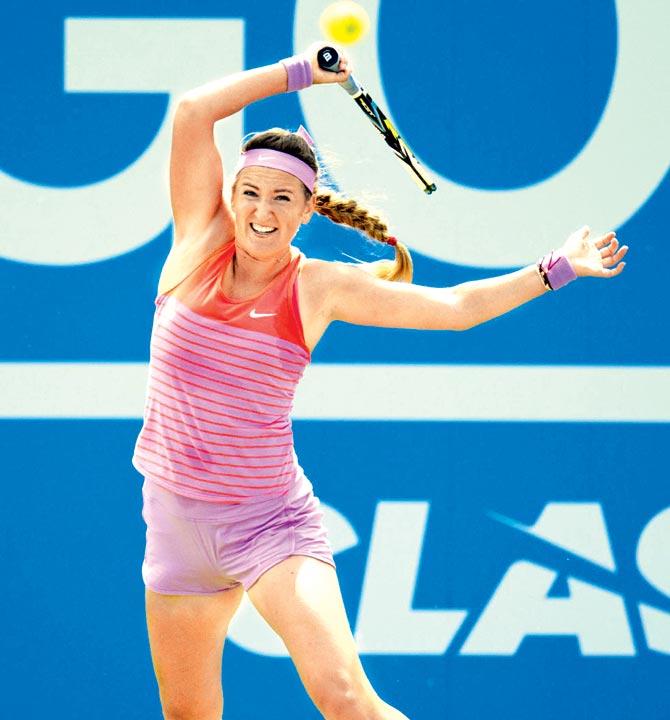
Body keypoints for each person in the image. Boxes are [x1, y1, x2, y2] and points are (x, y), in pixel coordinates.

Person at [131, 43, 628, 720]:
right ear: (230, 195)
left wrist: (555, 269)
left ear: (307, 210)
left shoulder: (317, 288)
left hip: (268, 527)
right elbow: (192, 111)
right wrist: (302, 72)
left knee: (347, 703)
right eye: (250, 193)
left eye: (283, 198)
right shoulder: (195, 242)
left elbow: (455, 311)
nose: (262, 211)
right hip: (175, 527)